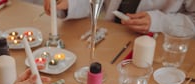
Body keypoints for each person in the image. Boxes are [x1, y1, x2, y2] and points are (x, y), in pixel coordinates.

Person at [43, 0, 195, 34]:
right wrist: (70, 3)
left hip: (161, 49)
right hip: (112, 37)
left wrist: (160, 22)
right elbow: (97, 2)